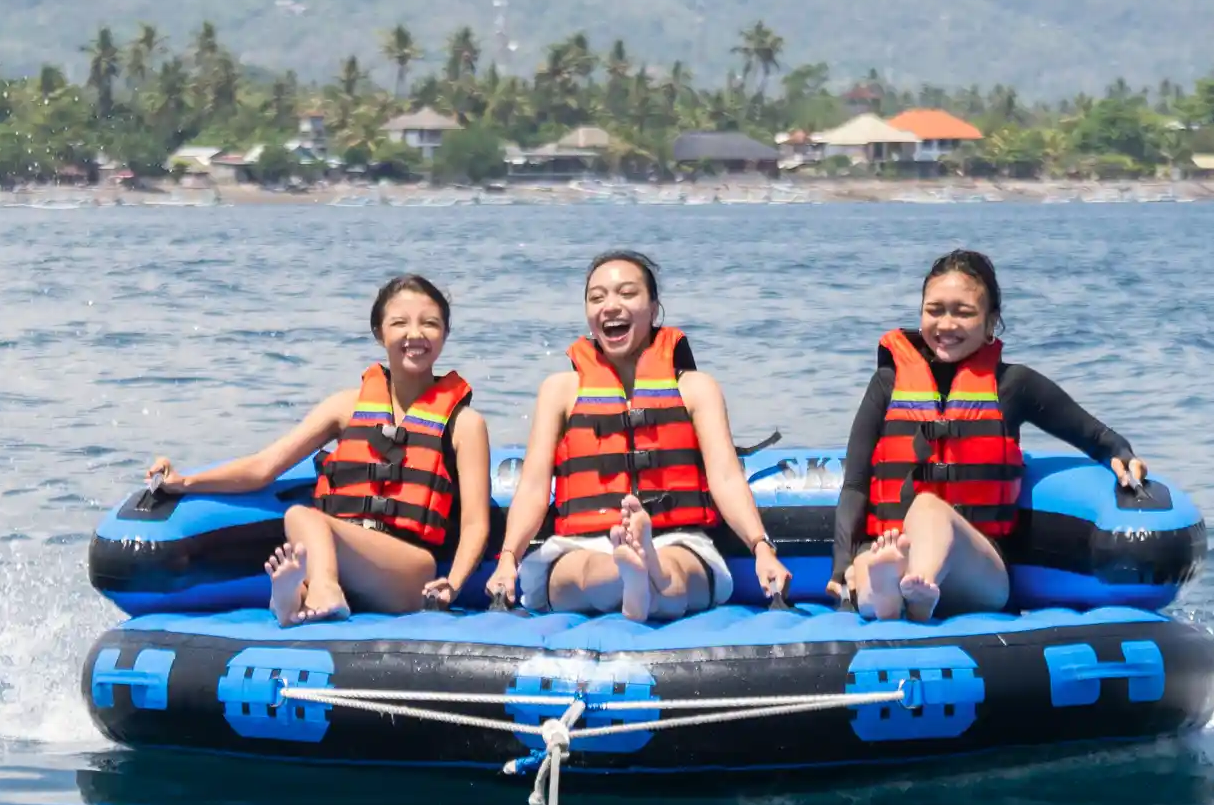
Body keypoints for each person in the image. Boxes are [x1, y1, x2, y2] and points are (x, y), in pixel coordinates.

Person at [142, 274, 492, 622]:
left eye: (429, 323)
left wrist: (454, 584)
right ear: (379, 333)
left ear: (445, 333)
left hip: (409, 570)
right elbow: (264, 467)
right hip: (342, 559)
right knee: (303, 524)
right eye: (399, 323)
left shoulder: (465, 424)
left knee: (301, 516)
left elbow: (476, 522)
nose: (415, 334)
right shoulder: (344, 406)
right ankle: (297, 597)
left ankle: (315, 589)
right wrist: (185, 482)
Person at [836, 247, 1148, 621]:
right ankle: (890, 594)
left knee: (929, 508)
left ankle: (916, 590)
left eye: (963, 312)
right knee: (873, 560)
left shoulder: (1012, 386)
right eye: (934, 310)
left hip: (978, 572)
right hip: (892, 546)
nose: (946, 324)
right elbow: (855, 484)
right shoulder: (887, 384)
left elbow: (1096, 436)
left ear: (990, 322)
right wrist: (842, 566)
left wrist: (1123, 456)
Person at [487, 250, 794, 622]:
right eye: (597, 297)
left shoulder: (696, 389)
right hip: (579, 545)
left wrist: (760, 546)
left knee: (675, 572)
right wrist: (508, 558)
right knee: (589, 574)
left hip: (676, 539)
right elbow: (534, 487)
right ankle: (634, 574)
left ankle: (641, 571)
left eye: (627, 294)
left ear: (653, 309)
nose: (610, 306)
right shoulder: (560, 391)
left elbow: (726, 478)